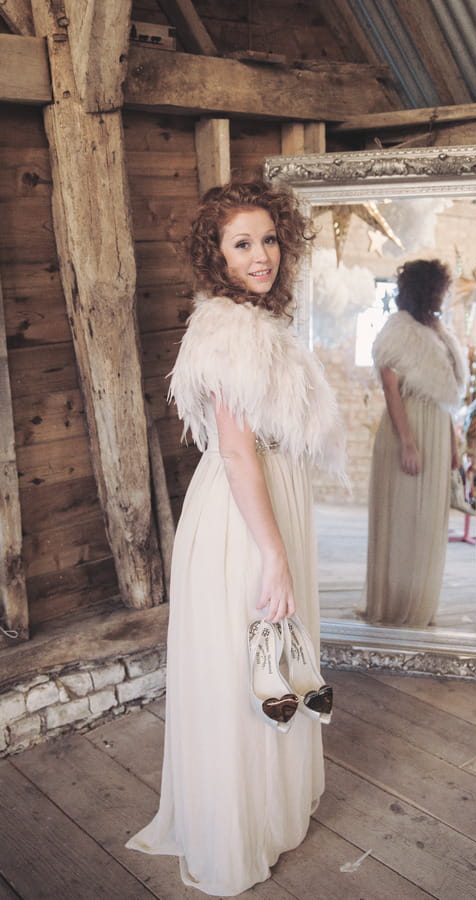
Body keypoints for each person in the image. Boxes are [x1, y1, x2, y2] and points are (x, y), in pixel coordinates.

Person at [126, 181, 345, 895]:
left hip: (271, 498)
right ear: (215, 256)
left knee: (274, 655)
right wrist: (273, 553)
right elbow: (237, 452)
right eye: (241, 244)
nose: (261, 257)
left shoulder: (263, 325)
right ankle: (234, 826)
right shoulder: (225, 331)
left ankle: (270, 806)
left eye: (270, 240)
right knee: (245, 658)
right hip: (244, 514)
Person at [364, 259, 465, 627]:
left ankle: (422, 602)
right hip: (408, 426)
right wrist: (407, 442)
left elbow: (446, 394)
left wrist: (453, 444)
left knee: (429, 521)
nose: (444, 293)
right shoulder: (398, 329)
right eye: (440, 286)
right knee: (406, 517)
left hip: (436, 427)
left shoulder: (438, 328)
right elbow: (390, 387)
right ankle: (396, 606)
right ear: (427, 288)